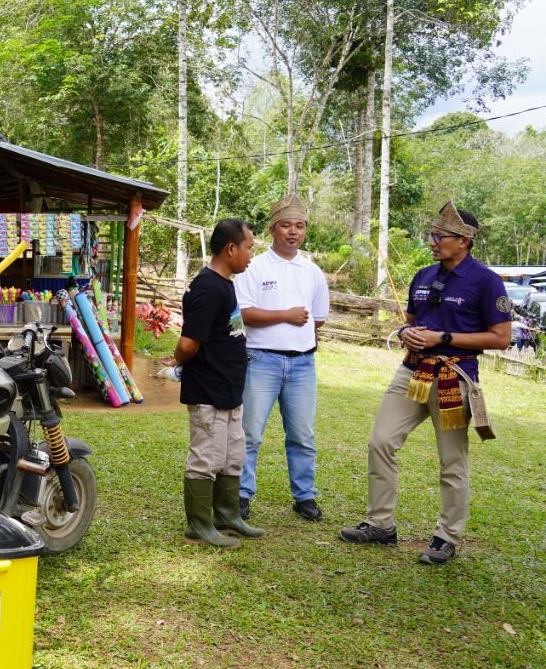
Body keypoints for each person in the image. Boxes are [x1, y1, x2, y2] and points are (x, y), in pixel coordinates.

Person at [339, 201, 511, 565]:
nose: (432, 241)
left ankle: (446, 537)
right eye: (431, 235)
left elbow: (500, 338)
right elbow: (412, 323)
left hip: (453, 376)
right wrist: (406, 332)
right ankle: (380, 524)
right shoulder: (423, 275)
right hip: (412, 373)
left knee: (452, 460)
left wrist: (442, 338)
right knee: (380, 441)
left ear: (463, 240)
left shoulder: (485, 281)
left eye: (439, 236)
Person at [234, 193, 330, 523]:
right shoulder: (254, 266)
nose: (293, 232)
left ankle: (305, 496)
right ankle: (242, 494)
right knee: (250, 433)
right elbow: (244, 314)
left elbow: (318, 317)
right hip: (261, 359)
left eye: (300, 226)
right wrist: (285, 316)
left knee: (302, 434)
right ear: (272, 229)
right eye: (286, 225)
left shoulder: (313, 271)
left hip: (303, 363)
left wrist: (295, 330)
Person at [174, 218, 264, 549]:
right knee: (207, 456)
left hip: (229, 389)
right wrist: (175, 361)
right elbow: (187, 344)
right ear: (231, 249)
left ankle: (227, 515)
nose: (251, 255)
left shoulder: (225, 283)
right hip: (209, 390)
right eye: (249, 247)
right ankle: (199, 525)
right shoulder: (208, 287)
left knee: (231, 455)